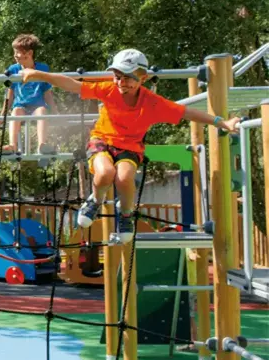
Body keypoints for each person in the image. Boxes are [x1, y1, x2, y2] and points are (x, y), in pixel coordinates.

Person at [19, 49, 240, 243]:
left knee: (124, 178)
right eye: (117, 77)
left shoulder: (152, 102)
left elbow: (186, 112)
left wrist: (222, 122)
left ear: (142, 78)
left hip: (130, 148)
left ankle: (125, 215)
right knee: (105, 172)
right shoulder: (108, 90)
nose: (121, 82)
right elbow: (71, 84)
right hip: (101, 142)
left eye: (127, 78)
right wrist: (38, 74)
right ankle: (95, 201)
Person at [0, 34, 57, 154]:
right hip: (21, 106)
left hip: (37, 107)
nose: (15, 55)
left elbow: (47, 93)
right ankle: (12, 145)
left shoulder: (42, 68)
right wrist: (2, 116)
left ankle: (42, 145)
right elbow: (9, 95)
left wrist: (55, 112)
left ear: (30, 53)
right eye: (14, 52)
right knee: (16, 111)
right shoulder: (13, 69)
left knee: (42, 110)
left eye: (18, 52)